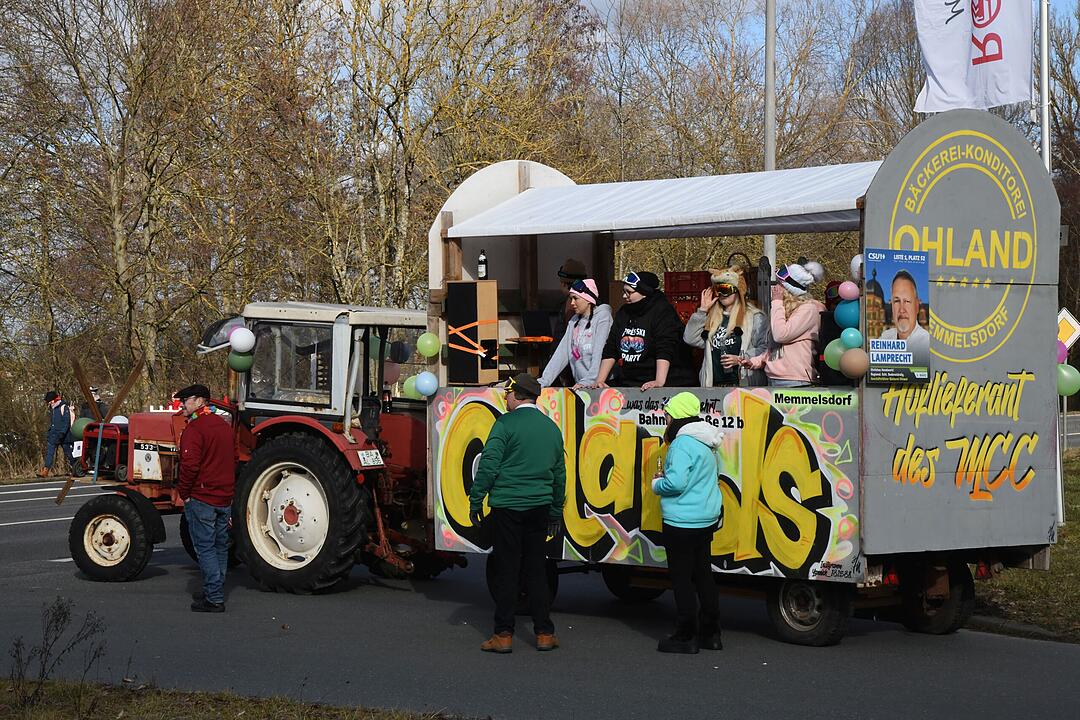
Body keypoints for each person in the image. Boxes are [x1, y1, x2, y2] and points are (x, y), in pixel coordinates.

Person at [469, 373, 566, 653]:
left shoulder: (505, 424)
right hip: (540, 507)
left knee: (507, 570)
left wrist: (477, 500)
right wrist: (555, 510)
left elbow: (489, 465)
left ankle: (503, 634)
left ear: (518, 395)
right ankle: (545, 633)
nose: (505, 398)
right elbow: (560, 473)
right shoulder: (551, 428)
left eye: (507, 393)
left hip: (507, 507)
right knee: (536, 569)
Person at [650, 391, 724, 654]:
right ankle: (711, 634)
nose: (666, 419)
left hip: (681, 520)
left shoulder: (681, 444)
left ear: (678, 416)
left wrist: (658, 483)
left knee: (682, 579)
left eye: (668, 414)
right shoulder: (707, 442)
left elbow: (677, 482)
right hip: (705, 518)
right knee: (703, 574)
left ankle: (685, 635)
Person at [176, 384, 236, 613]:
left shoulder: (194, 429)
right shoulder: (224, 427)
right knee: (220, 545)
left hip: (203, 496)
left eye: (186, 400)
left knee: (205, 547)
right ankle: (215, 587)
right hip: (224, 496)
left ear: (200, 401)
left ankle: (214, 597)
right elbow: (230, 459)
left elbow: (189, 465)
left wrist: (184, 492)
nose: (182, 404)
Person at [595, 271, 697, 390]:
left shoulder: (662, 311)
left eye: (629, 292)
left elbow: (665, 346)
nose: (624, 296)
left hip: (670, 379)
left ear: (644, 292)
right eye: (624, 291)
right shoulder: (623, 313)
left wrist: (659, 381)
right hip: (632, 379)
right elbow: (611, 348)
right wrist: (600, 381)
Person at [743, 262, 825, 387]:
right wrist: (755, 361)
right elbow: (775, 347)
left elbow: (781, 335)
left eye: (779, 284)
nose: (775, 288)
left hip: (795, 379)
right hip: (773, 377)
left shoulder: (808, 309)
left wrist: (776, 302)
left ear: (788, 288)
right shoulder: (783, 309)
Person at [683, 266, 767, 387]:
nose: (721, 294)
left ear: (737, 290)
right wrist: (702, 311)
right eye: (717, 290)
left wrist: (740, 359)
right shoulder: (713, 318)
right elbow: (690, 339)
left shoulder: (754, 317)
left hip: (742, 384)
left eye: (725, 289)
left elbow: (764, 348)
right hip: (714, 385)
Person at [539, 279, 613, 389]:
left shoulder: (603, 317)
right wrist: (543, 381)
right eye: (571, 298)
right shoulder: (574, 321)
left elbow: (599, 353)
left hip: (600, 385)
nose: (572, 303)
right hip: (581, 384)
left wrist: (589, 380)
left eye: (576, 298)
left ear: (588, 299)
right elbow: (561, 354)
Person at [879, 270, 930, 357]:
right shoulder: (885, 337)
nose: (902, 309)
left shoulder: (927, 342)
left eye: (907, 301)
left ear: (917, 306)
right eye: (897, 301)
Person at [38, 391, 76, 478]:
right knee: (49, 453)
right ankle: (45, 470)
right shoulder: (53, 409)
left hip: (63, 436)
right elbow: (53, 423)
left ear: (54, 400)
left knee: (68, 453)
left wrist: (61, 433)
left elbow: (66, 422)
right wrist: (49, 432)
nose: (49, 403)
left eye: (50, 401)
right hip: (53, 435)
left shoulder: (63, 407)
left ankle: (75, 468)